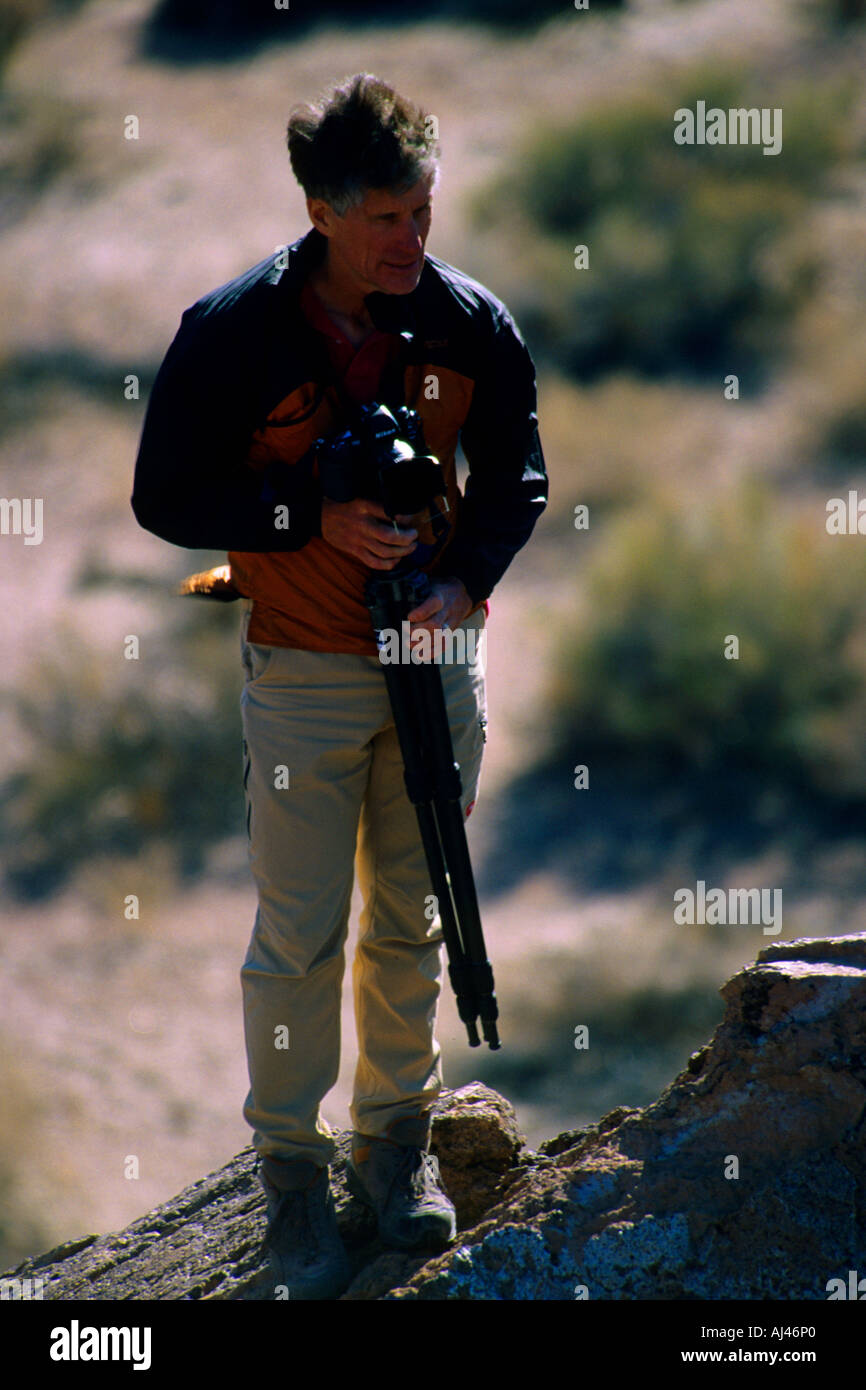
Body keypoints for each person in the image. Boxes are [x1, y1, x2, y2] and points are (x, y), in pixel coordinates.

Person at [131, 71, 548, 1299]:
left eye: (423, 212)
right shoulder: (231, 333)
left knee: (411, 920)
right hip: (303, 667)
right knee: (297, 937)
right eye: (385, 221)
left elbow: (517, 472)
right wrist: (305, 507)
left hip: (431, 651)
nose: (412, 242)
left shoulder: (469, 321)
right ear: (319, 209)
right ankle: (290, 1186)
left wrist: (464, 582)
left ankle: (397, 1157)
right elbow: (165, 499)